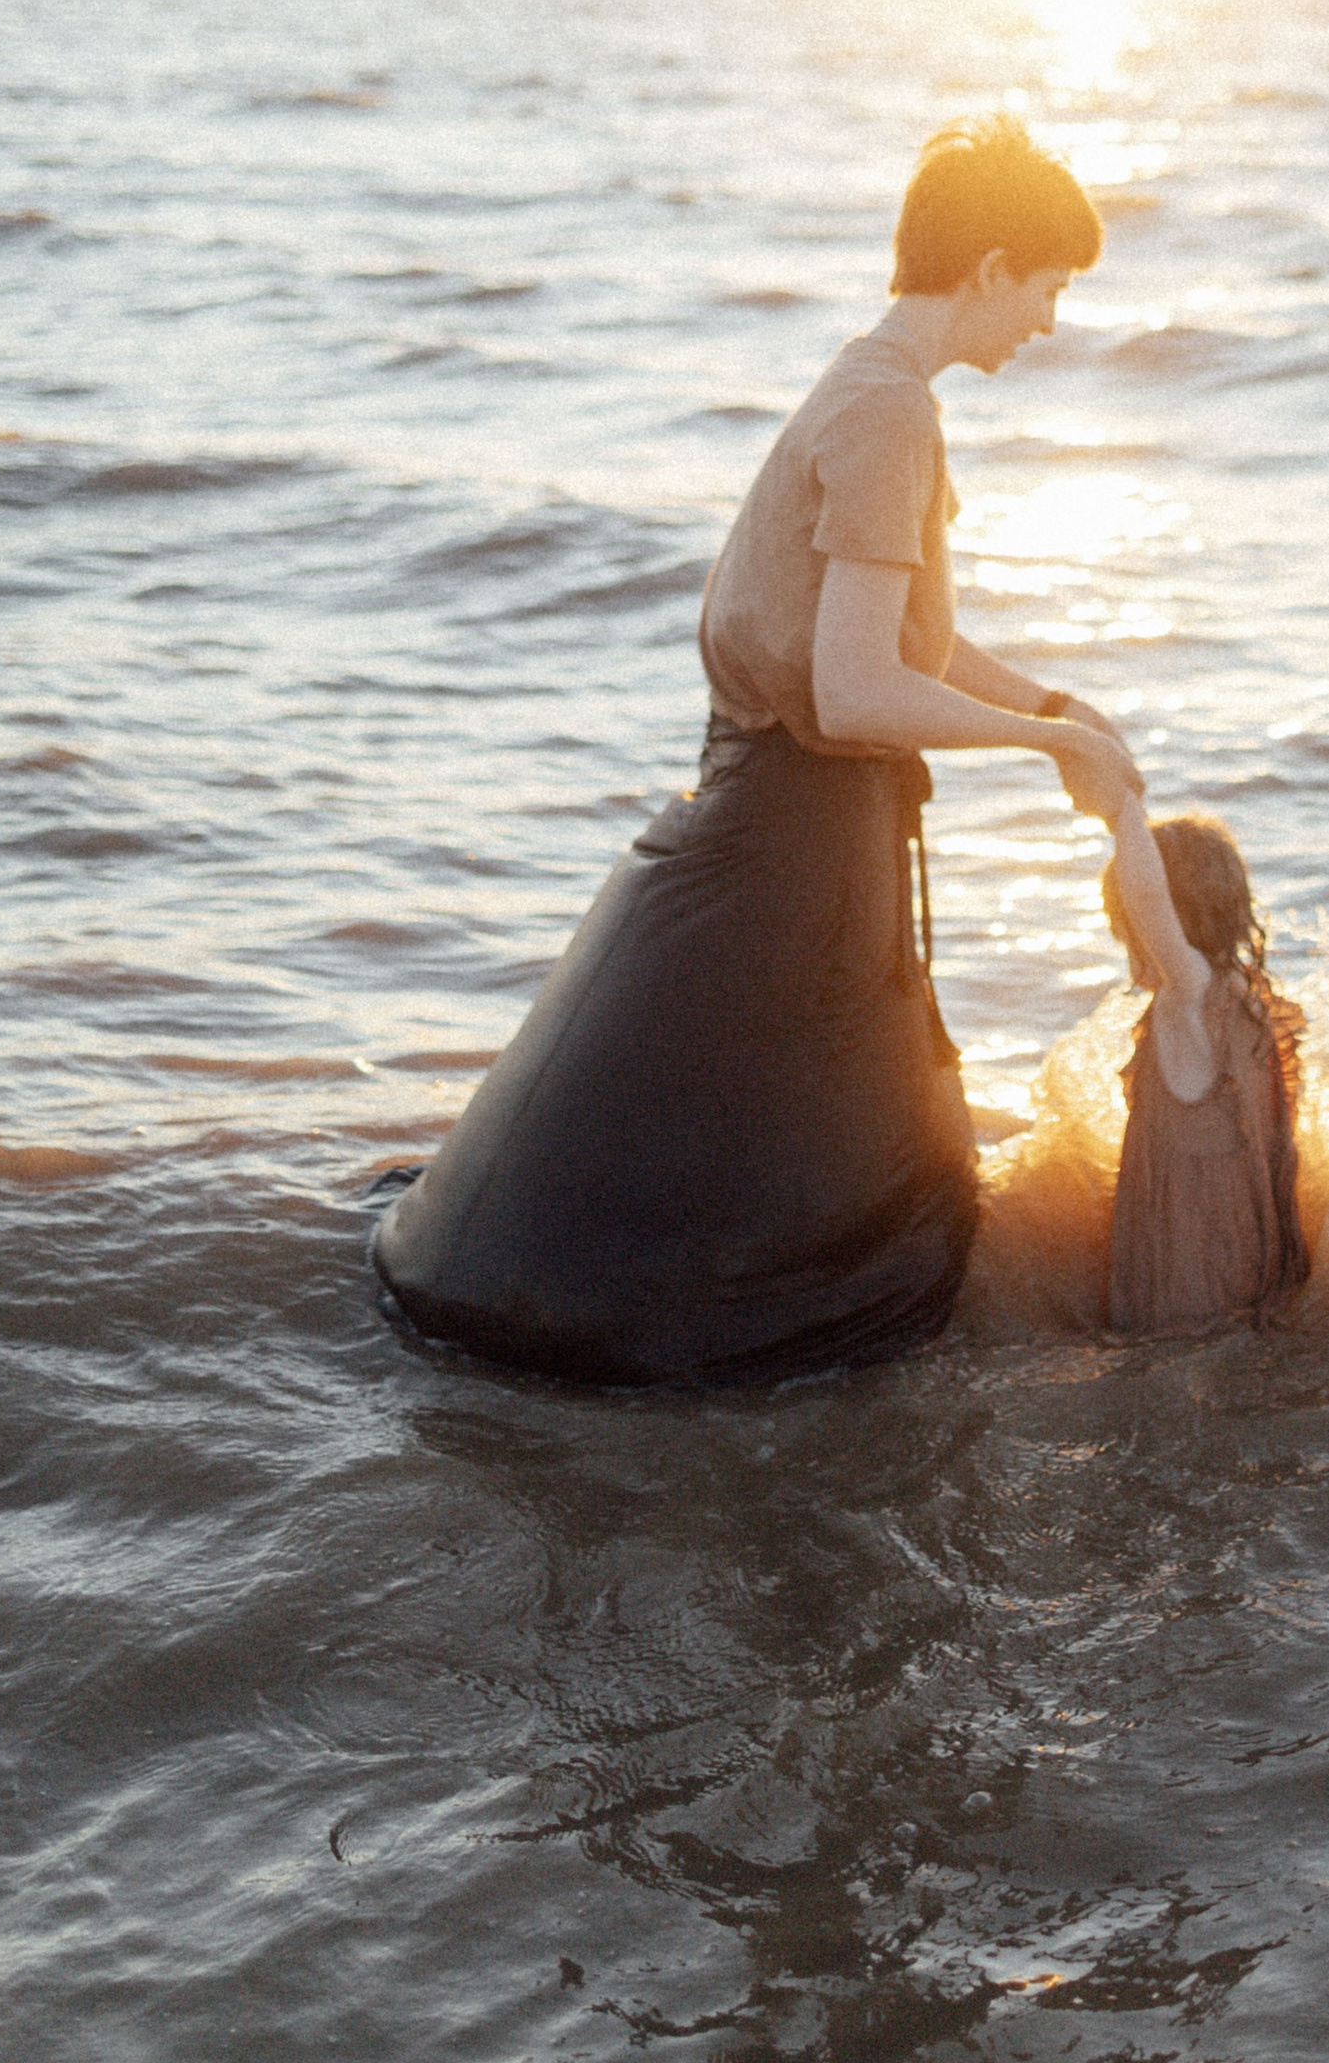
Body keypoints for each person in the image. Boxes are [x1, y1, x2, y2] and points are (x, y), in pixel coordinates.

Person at [373, 115, 1143, 1386]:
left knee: (729, 1169)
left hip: (791, 829)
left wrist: (1052, 699)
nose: (1051, 321)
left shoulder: (870, 388)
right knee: (773, 1226)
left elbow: (895, 642)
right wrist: (1041, 740)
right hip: (789, 844)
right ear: (993, 265)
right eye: (1051, 286)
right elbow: (851, 691)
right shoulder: (891, 415)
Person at [1093, 791, 1310, 1336]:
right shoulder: (1245, 995)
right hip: (1243, 1236)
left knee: (1172, 1355)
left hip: (1193, 1257)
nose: (1130, 947)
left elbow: (1146, 895)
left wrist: (1122, 811)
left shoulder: (1189, 995)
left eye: (1128, 934)